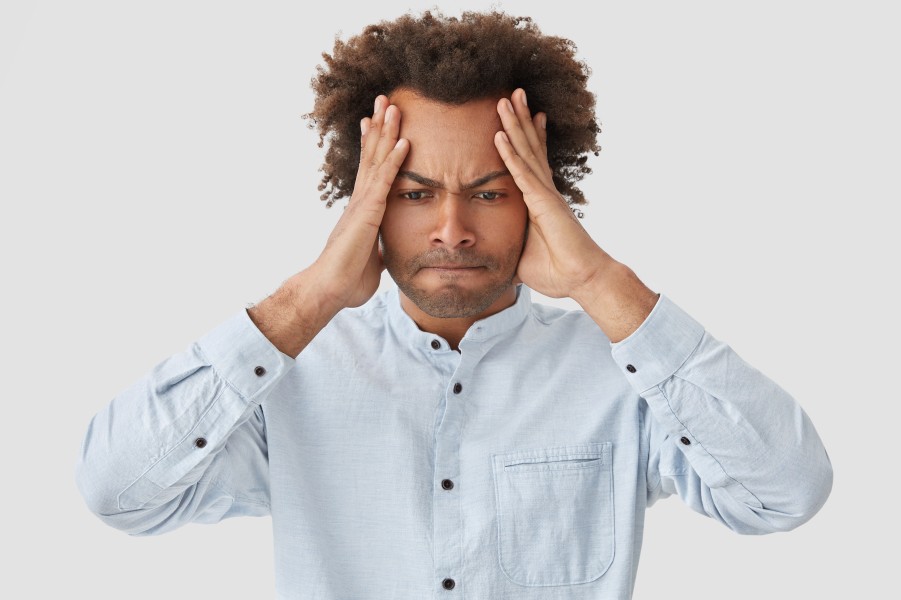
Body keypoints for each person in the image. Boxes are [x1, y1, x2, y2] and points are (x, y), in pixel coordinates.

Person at [76, 10, 833, 599]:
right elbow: (118, 493)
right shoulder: (290, 377)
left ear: (542, 200)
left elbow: (785, 494)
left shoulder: (618, 373)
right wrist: (310, 297)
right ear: (364, 201)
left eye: (489, 193)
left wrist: (600, 281)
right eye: (412, 194)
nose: (451, 229)